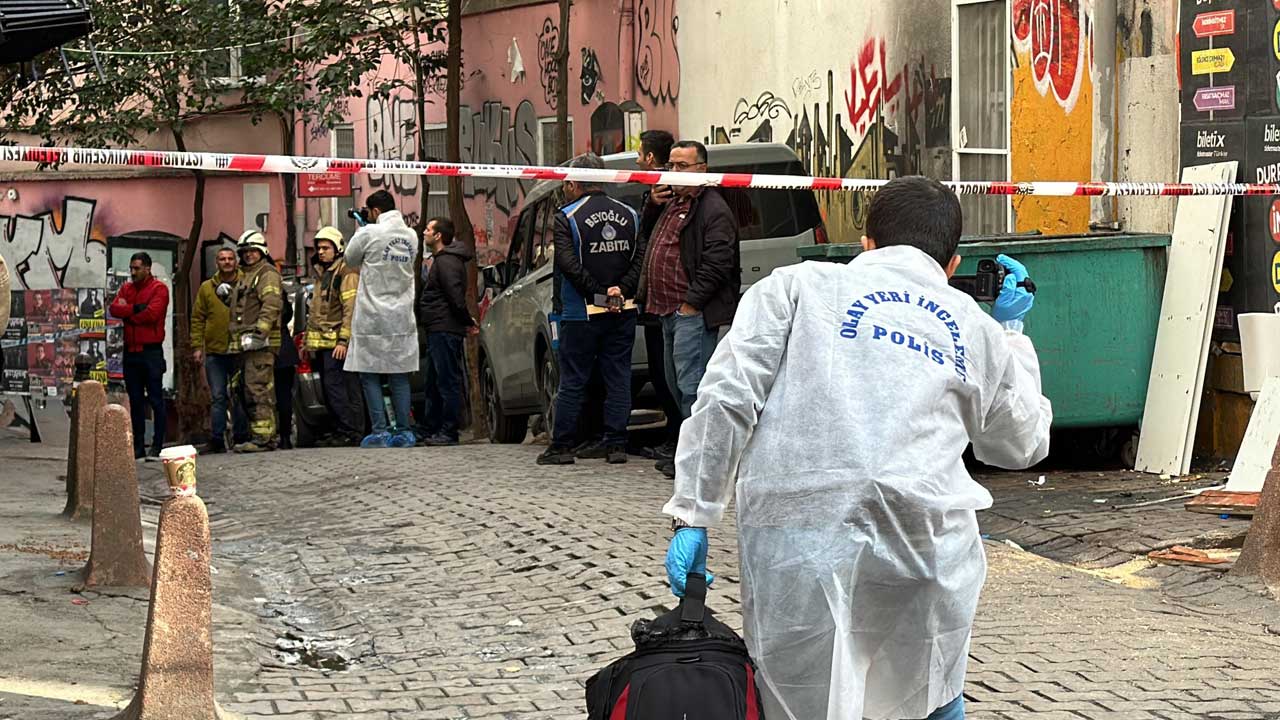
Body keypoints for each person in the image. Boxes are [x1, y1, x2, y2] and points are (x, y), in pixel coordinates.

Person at [660, 177, 1052, 720]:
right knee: (922, 695)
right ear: (954, 263)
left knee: (803, 698)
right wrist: (1012, 331)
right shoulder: (974, 327)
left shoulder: (794, 288)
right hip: (925, 547)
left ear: (865, 241)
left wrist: (694, 513)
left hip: (799, 538)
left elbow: (727, 396)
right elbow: (1020, 443)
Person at [635, 140, 740, 478]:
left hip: (690, 314)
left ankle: (701, 461)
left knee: (693, 389)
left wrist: (690, 304)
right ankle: (686, 455)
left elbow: (717, 262)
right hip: (667, 311)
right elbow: (646, 237)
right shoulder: (672, 203)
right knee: (674, 385)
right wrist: (651, 204)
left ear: (702, 171)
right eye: (671, 165)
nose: (674, 172)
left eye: (682, 166)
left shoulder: (712, 209)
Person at [537, 153, 644, 466]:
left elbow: (567, 264)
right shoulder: (631, 214)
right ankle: (616, 444)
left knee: (572, 380)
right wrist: (620, 290)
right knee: (618, 376)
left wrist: (597, 294)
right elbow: (640, 257)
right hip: (622, 309)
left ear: (573, 184)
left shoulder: (566, 217)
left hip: (579, 313)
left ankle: (562, 446)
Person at [343, 190, 419, 449]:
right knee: (399, 374)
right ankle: (405, 431)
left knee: (370, 374)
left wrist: (362, 229)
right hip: (401, 316)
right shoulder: (411, 235)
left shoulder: (368, 233)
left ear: (374, 212)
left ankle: (380, 431)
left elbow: (350, 259)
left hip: (372, 317)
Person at [634, 129, 682, 462]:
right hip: (660, 298)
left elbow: (648, 233)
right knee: (665, 371)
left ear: (651, 158)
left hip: (671, 298)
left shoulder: (665, 190)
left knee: (671, 374)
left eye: (640, 154)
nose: (637, 160)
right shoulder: (657, 191)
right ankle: (674, 437)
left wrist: (651, 205)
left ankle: (679, 439)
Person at [415, 217, 478, 447]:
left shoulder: (447, 262)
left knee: (446, 381)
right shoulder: (442, 260)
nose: (424, 232)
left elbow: (454, 296)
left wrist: (466, 320)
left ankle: (449, 431)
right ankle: (431, 428)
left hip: (445, 328)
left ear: (439, 235)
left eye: (428, 229)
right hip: (438, 328)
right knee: (434, 381)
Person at [304, 226, 365, 445]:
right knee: (331, 390)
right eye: (318, 248)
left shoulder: (345, 273)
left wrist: (343, 341)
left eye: (326, 248)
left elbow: (351, 310)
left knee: (339, 389)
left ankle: (351, 431)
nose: (321, 252)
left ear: (338, 248)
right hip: (324, 345)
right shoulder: (324, 274)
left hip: (338, 345)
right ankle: (342, 430)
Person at [109, 252, 170, 460]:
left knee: (155, 399)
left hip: (150, 351)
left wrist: (129, 313)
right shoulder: (127, 288)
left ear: (147, 268)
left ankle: (158, 445)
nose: (133, 272)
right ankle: (138, 446)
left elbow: (152, 314)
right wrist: (135, 309)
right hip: (131, 351)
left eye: (137, 268)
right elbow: (115, 308)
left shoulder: (159, 288)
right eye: (131, 268)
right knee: (135, 401)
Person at [228, 230, 283, 453]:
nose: (249, 255)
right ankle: (262, 436)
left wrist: (260, 333)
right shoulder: (248, 274)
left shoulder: (266, 273)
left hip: (260, 344)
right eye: (245, 252)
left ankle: (263, 439)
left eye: (253, 251)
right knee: (248, 389)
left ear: (262, 252)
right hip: (247, 344)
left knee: (257, 389)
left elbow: (271, 304)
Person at [190, 247, 249, 453]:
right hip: (215, 351)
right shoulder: (207, 288)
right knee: (218, 396)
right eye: (222, 259)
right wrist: (197, 346)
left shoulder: (246, 283)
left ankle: (242, 437)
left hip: (240, 349)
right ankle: (217, 439)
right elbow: (198, 318)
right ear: (217, 263)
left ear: (236, 262)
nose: (227, 262)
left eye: (230, 258)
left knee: (240, 394)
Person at [274, 293, 299, 450]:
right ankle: (285, 438)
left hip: (269, 352)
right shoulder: (279, 291)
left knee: (269, 397)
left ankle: (275, 437)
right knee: (284, 397)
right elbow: (288, 314)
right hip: (285, 352)